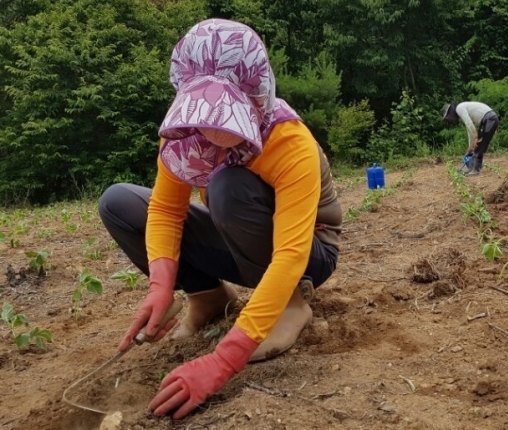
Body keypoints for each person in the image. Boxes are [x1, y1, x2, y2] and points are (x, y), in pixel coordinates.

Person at [98, 19, 342, 419]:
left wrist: (223, 360)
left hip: (307, 254)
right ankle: (208, 296)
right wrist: (161, 285)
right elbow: (164, 210)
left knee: (229, 185)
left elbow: (291, 253)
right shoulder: (183, 136)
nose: (212, 130)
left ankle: (291, 306)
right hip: (238, 238)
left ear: (254, 96)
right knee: (120, 203)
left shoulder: (289, 141)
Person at [442, 101, 499, 176]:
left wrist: (475, 138)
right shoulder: (461, 108)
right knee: (478, 145)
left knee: (479, 144)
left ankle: (475, 170)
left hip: (490, 119)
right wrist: (470, 147)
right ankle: (474, 168)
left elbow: (470, 124)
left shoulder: (459, 108)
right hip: (488, 120)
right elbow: (469, 130)